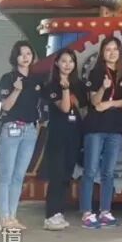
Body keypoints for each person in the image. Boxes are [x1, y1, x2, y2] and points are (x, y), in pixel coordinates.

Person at [80, 37, 122, 229]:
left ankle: (105, 212)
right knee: (90, 170)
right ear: (102, 52)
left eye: (115, 49)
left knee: (109, 172)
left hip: (115, 129)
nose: (112, 53)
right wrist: (104, 87)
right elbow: (94, 102)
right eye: (108, 49)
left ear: (120, 52)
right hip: (95, 128)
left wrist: (109, 104)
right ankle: (87, 213)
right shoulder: (95, 73)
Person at [0, 40, 42, 230]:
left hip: (30, 130)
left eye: (29, 54)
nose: (25, 57)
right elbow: (6, 106)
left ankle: (13, 217)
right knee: (6, 175)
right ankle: (4, 218)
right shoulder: (8, 78)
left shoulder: (37, 80)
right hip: (11, 129)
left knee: (19, 175)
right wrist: (16, 89)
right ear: (15, 57)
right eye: (22, 54)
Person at [42, 48, 85, 231]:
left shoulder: (79, 85)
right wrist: (65, 90)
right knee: (57, 175)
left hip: (73, 134)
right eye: (64, 61)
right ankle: (50, 215)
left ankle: (59, 212)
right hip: (58, 135)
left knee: (67, 175)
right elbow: (65, 108)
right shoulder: (51, 85)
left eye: (71, 61)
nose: (68, 65)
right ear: (57, 63)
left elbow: (82, 107)